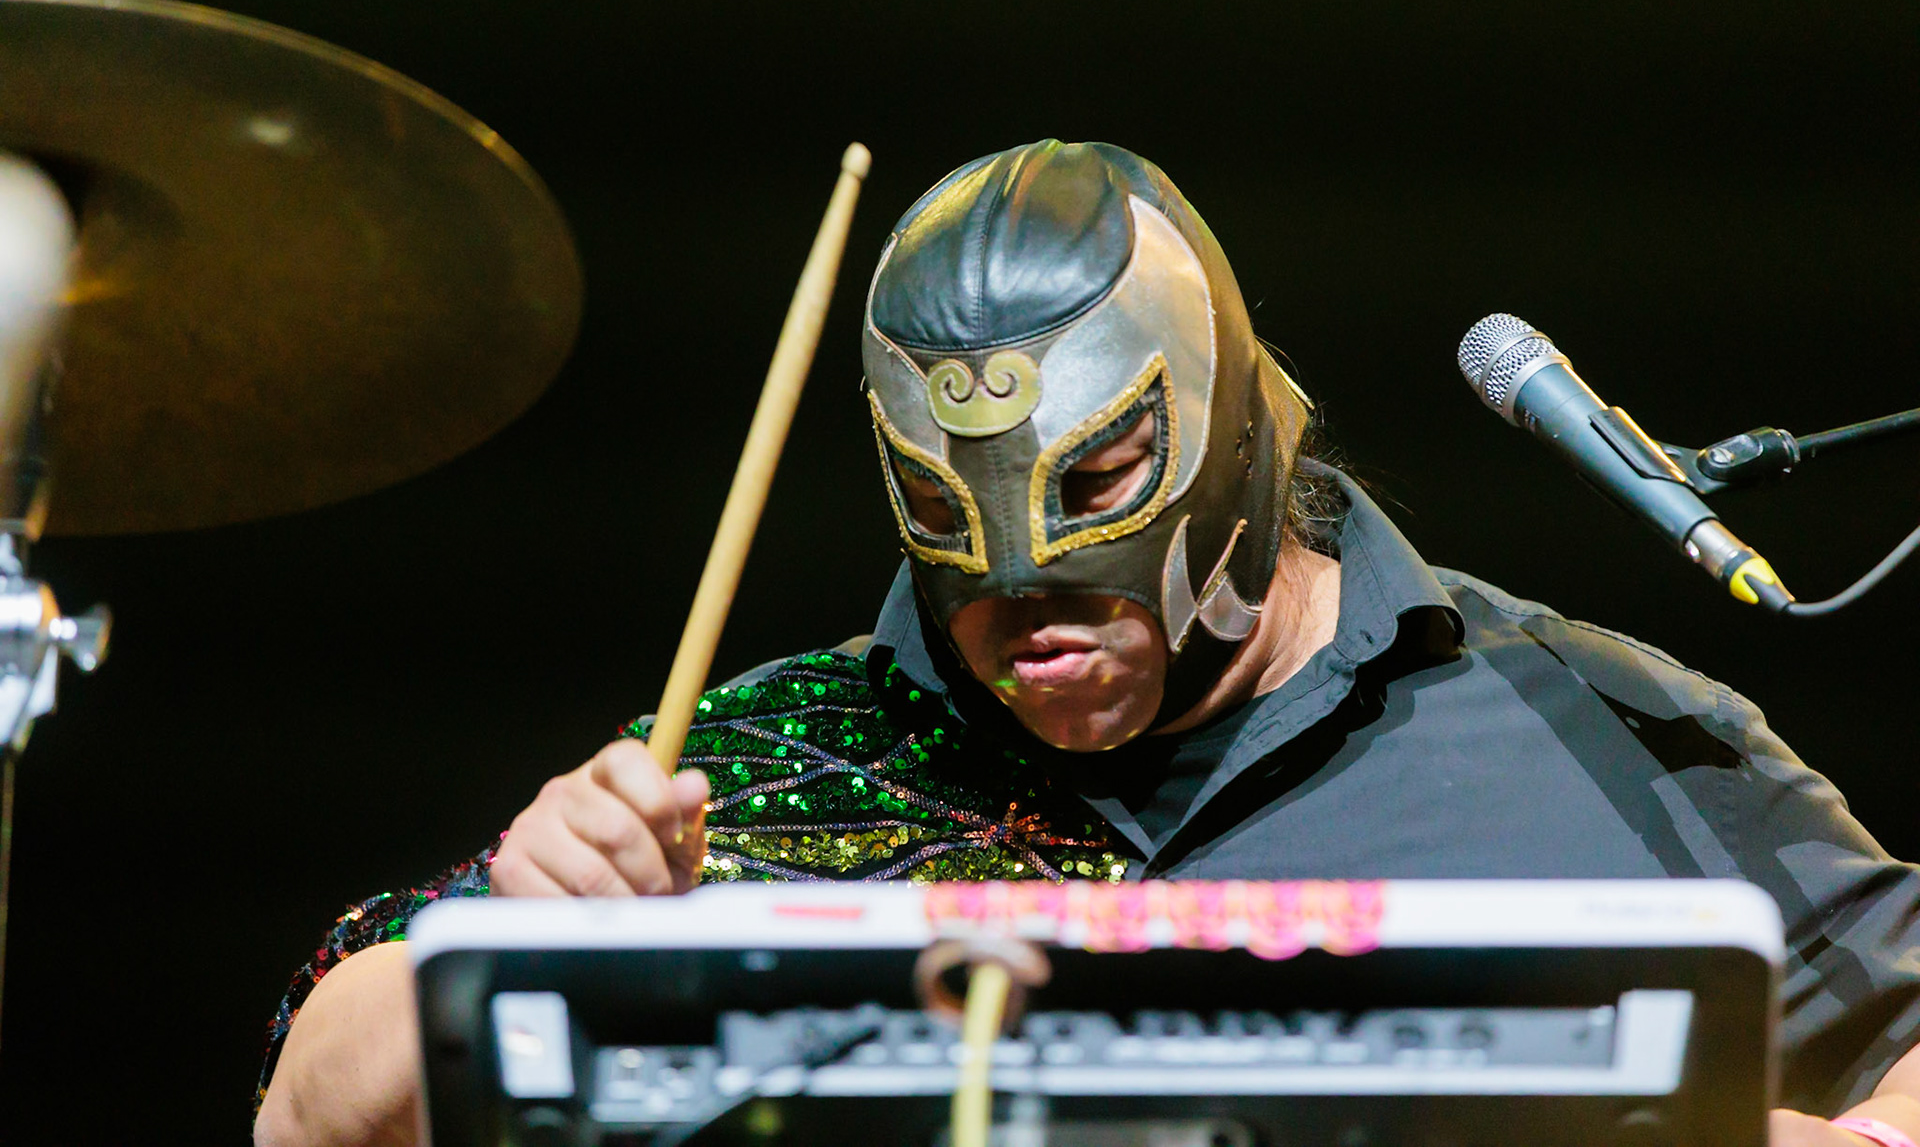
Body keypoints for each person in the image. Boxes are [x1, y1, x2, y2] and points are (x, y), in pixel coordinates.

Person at [252, 141, 1920, 1147]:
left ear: (1235, 430)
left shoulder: (1594, 730)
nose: (1026, 600)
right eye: (947, 519)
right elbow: (309, 1115)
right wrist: (520, 939)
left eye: (1105, 486)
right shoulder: (774, 758)